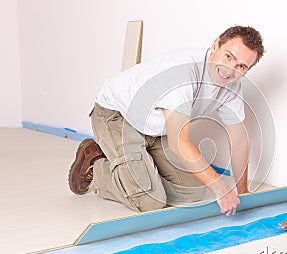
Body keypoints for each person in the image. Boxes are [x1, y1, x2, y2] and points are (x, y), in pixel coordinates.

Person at [68, 25, 264, 216]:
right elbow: (179, 142)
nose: (230, 70)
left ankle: (139, 170)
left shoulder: (232, 85)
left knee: (193, 191)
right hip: (118, 115)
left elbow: (238, 139)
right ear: (215, 45)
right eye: (228, 56)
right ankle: (95, 162)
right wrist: (221, 188)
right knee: (149, 201)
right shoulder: (184, 71)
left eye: (241, 66)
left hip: (156, 129)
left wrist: (243, 192)